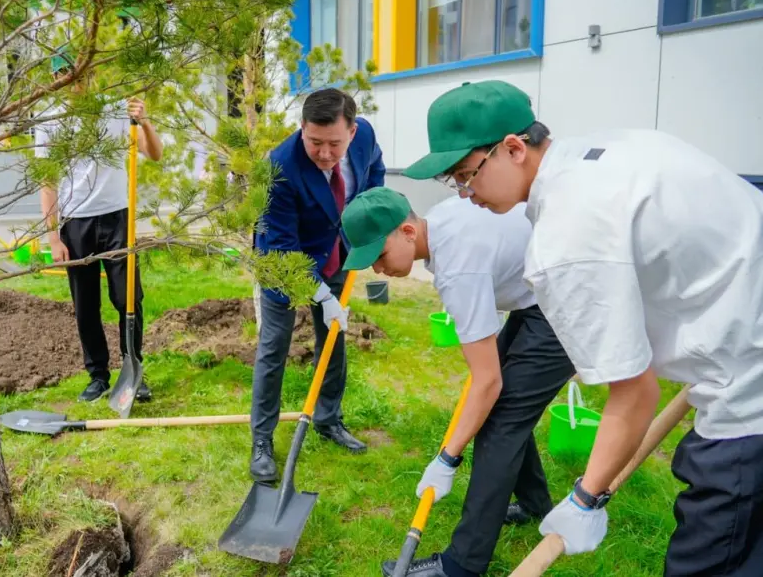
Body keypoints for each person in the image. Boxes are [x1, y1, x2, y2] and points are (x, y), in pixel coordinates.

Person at [401, 79, 763, 576]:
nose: (465, 195)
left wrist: (585, 498)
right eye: (455, 184)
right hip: (741, 326)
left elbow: (636, 392)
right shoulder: (613, 148)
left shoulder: (567, 236)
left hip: (749, 388)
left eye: (467, 176)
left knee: (712, 552)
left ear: (513, 148)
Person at [336, 186, 575, 577]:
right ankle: (534, 503)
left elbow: (487, 383)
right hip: (535, 298)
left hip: (563, 305)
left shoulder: (457, 267)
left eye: (379, 256)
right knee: (505, 410)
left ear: (408, 232)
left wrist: (448, 458)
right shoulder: (443, 220)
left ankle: (461, 565)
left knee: (498, 423)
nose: (376, 270)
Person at [250, 88, 385, 482]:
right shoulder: (279, 167)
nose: (325, 153)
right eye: (315, 143)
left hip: (338, 249)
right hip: (284, 262)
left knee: (333, 339)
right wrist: (321, 295)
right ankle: (261, 441)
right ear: (301, 130)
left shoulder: (365, 138)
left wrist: (368, 221)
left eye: (334, 144)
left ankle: (328, 419)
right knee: (274, 348)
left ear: (352, 131)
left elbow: (374, 171)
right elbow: (281, 245)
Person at [36, 51, 163, 403]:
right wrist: (52, 235)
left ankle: (133, 369)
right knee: (85, 303)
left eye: (79, 74)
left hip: (117, 217)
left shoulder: (115, 109)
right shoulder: (49, 119)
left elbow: (154, 153)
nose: (74, 83)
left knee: (127, 299)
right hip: (75, 223)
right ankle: (97, 375)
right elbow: (47, 180)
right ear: (55, 79)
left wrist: (146, 122)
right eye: (64, 76)